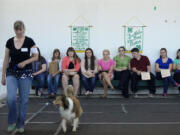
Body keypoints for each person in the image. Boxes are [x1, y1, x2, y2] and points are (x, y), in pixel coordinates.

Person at [1, 21, 38, 133]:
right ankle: (12, 121)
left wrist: (25, 62)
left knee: (24, 100)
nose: (19, 32)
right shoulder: (9, 42)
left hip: (25, 73)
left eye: (20, 30)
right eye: (17, 30)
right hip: (12, 72)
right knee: (11, 99)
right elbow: (6, 59)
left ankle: (20, 123)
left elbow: (36, 57)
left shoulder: (30, 41)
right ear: (14, 30)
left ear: (24, 29)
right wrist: (3, 75)